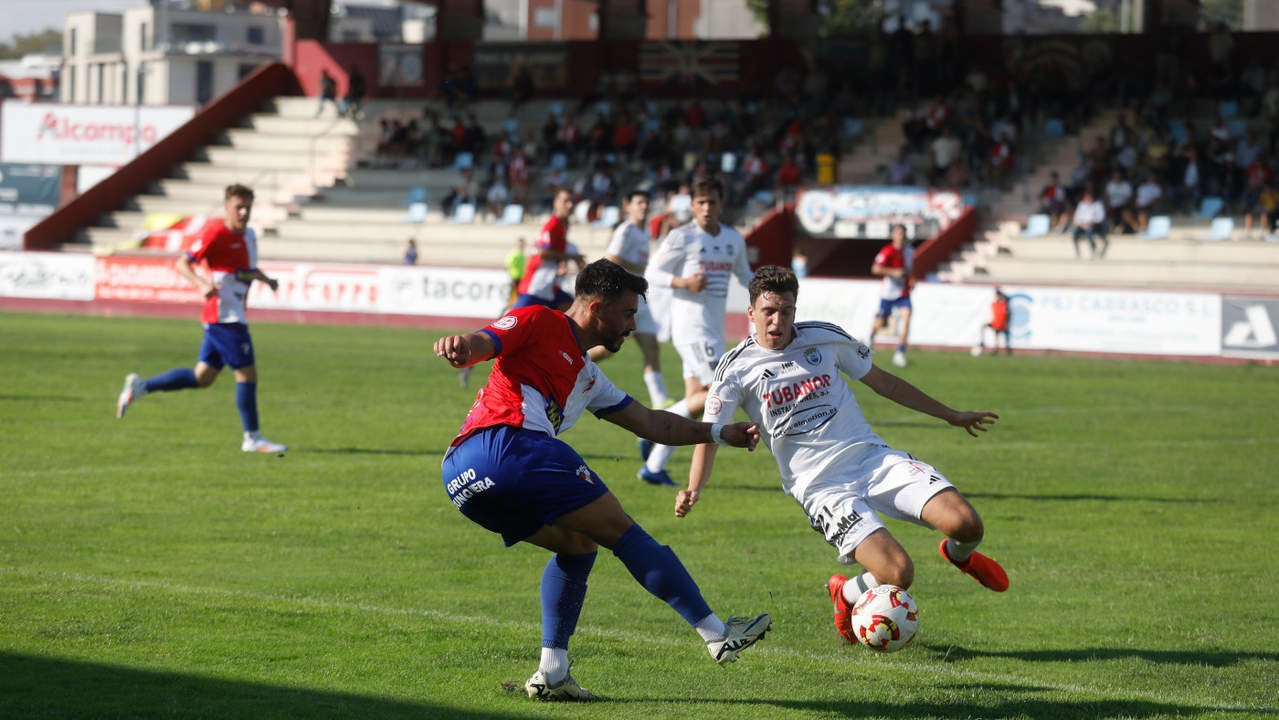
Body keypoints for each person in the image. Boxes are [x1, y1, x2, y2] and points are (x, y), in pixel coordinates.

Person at [435, 259, 772, 701]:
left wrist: (716, 433)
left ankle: (553, 671)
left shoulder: (588, 376)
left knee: (578, 546)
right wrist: (465, 347)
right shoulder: (541, 320)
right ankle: (715, 633)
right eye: (628, 312)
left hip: (463, 475)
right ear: (597, 309)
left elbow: (653, 423)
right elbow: (488, 339)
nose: (633, 324)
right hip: (507, 444)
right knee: (622, 530)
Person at [676, 265, 1007, 646]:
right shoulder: (735, 369)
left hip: (872, 459)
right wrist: (693, 487)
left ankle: (959, 555)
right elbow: (710, 434)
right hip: (822, 488)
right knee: (899, 574)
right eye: (768, 311)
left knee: (967, 524)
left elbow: (885, 382)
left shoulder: (824, 338)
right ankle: (846, 594)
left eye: (786, 311)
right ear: (751, 312)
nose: (777, 321)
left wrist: (950, 414)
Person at [115, 184, 287, 454]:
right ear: (226, 207)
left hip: (232, 314)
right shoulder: (216, 234)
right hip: (223, 317)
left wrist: (265, 279)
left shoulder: (250, 235)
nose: (243, 212)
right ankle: (252, 437)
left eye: (247, 207)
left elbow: (243, 270)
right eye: (238, 207)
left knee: (202, 378)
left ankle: (141, 386)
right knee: (247, 374)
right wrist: (200, 284)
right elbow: (182, 263)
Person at [641, 177, 753, 486]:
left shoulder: (733, 239)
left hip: (714, 331)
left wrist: (768, 288)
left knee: (697, 401)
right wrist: (683, 282)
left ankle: (652, 464)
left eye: (712, 202)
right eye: (700, 203)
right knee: (720, 390)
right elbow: (652, 273)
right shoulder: (682, 237)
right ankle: (650, 430)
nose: (706, 208)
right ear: (692, 206)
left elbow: (745, 275)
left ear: (721, 204)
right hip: (691, 329)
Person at [593, 190, 669, 409]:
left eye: (646, 202)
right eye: (639, 202)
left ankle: (661, 401)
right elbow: (610, 258)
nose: (643, 206)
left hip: (639, 300)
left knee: (652, 348)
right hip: (623, 299)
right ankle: (572, 364)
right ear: (628, 206)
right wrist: (640, 269)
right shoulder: (625, 230)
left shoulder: (643, 232)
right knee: (607, 349)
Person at [514, 188, 584, 310]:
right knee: (512, 324)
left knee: (573, 313)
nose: (570, 205)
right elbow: (543, 253)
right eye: (566, 201)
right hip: (535, 286)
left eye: (572, 201)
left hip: (550, 286)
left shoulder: (563, 226)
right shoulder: (552, 225)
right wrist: (571, 257)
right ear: (555, 203)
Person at [867, 224, 913, 369]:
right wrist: (893, 272)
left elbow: (910, 270)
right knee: (880, 322)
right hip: (888, 293)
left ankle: (900, 353)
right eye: (898, 233)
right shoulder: (887, 251)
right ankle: (869, 339)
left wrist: (912, 278)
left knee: (906, 319)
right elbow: (875, 268)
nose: (900, 236)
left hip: (903, 293)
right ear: (893, 235)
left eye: (903, 233)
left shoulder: (909, 251)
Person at [1072, 184, 1108, 259]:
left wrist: (1090, 223)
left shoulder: (1098, 204)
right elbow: (1076, 218)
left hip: (1095, 225)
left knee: (1089, 232)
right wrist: (1082, 224)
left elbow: (1100, 218)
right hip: (1082, 225)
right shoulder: (1081, 204)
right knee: (1074, 233)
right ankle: (1078, 253)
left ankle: (1093, 249)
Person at [975, 288, 1011, 356]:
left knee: (997, 335)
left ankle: (998, 349)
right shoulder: (994, 304)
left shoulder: (1004, 304)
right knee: (983, 327)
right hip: (994, 323)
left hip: (1001, 324)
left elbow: (1007, 313)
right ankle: (983, 342)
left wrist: (1007, 323)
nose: (997, 297)